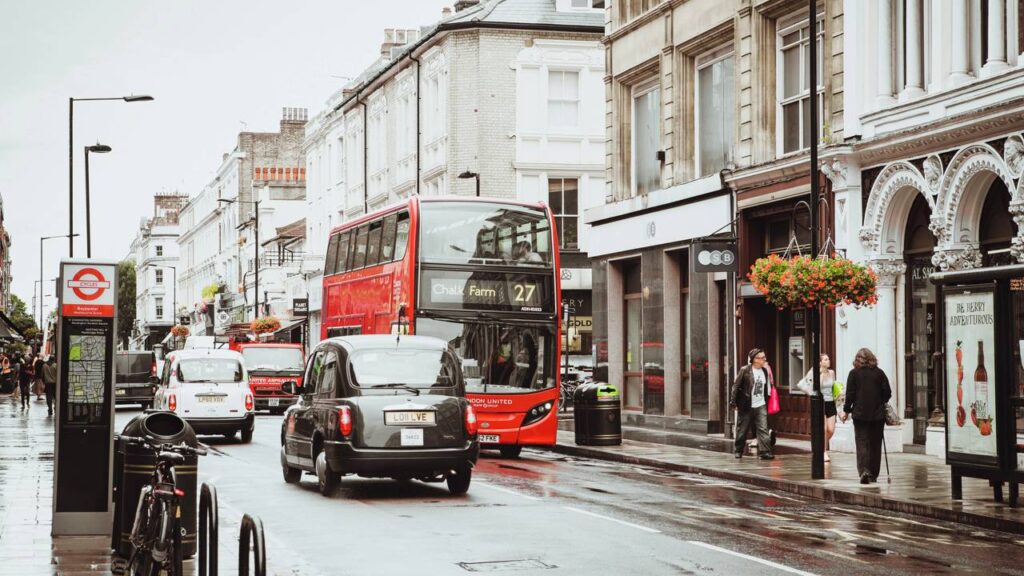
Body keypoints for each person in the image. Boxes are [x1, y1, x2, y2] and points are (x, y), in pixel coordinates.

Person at [842, 347, 892, 484]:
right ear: (872, 359)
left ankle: (864, 471)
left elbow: (850, 395)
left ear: (857, 360)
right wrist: (880, 401)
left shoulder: (853, 374)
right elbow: (887, 393)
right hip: (877, 415)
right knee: (876, 444)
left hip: (860, 414)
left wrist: (846, 410)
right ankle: (873, 474)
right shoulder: (879, 373)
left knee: (862, 442)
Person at [731, 348, 774, 460]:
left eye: (764, 357)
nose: (764, 359)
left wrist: (767, 399)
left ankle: (765, 451)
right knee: (742, 429)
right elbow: (735, 386)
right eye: (762, 358)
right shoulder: (745, 370)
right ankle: (738, 450)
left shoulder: (764, 371)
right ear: (755, 359)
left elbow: (767, 387)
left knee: (763, 428)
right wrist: (733, 402)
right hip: (747, 404)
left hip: (761, 404)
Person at [798, 354, 838, 462]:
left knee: (831, 430)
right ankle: (823, 452)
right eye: (826, 359)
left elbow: (834, 386)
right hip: (820, 403)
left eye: (828, 358)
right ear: (820, 362)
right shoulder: (814, 372)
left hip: (830, 403)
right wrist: (820, 375)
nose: (828, 360)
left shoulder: (832, 372)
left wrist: (838, 395)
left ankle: (819, 446)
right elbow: (811, 386)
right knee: (823, 429)